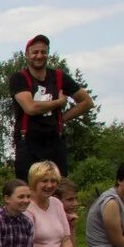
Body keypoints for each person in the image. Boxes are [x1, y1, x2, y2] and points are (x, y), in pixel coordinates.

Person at [10, 34, 94, 178]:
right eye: (35, 52)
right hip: (28, 141)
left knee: (58, 185)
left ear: (48, 54)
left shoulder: (59, 77)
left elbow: (87, 102)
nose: (39, 56)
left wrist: (62, 119)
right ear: (27, 55)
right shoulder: (19, 79)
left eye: (43, 52)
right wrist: (59, 103)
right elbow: (30, 108)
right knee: (27, 187)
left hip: (55, 141)